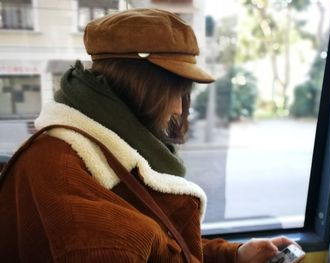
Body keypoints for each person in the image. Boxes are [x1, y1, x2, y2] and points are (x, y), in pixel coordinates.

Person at [0, 8, 300, 262]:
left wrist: (234, 254)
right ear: (140, 87)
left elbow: (165, 246)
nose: (177, 109)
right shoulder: (65, 171)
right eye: (174, 93)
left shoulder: (107, 145)